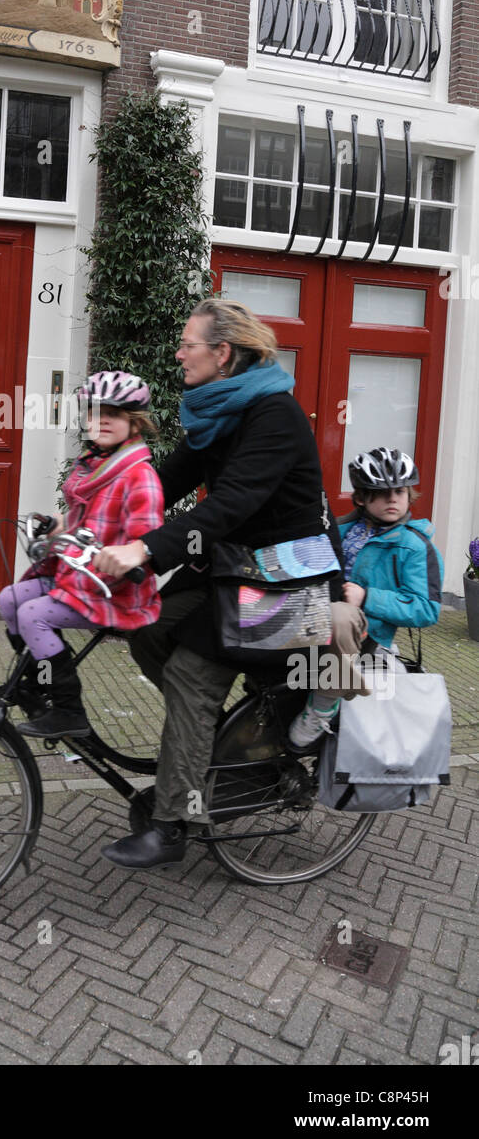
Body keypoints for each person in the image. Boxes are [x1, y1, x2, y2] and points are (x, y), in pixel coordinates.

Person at [91, 299, 363, 870]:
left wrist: (145, 549)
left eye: (188, 343)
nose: (178, 352)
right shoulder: (217, 411)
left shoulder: (274, 415)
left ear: (222, 353)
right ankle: (214, 747)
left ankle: (172, 825)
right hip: (236, 572)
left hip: (292, 588)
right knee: (146, 626)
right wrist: (93, 521)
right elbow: (163, 482)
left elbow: (232, 503)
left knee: (192, 673)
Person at [0, 371, 164, 739]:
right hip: (77, 578)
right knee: (9, 599)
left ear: (134, 423)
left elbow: (144, 543)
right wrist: (56, 525)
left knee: (33, 615)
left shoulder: (139, 477)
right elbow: (83, 522)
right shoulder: (94, 465)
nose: (102, 419)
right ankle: (40, 686)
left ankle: (70, 712)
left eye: (115, 413)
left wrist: (124, 558)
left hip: (115, 592)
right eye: (94, 411)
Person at [288, 447, 444, 748]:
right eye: (381, 492)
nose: (392, 499)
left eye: (399, 491)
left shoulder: (414, 546)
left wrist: (368, 596)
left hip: (366, 640)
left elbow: (427, 609)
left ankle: (323, 705)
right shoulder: (341, 529)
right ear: (361, 497)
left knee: (338, 619)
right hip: (317, 623)